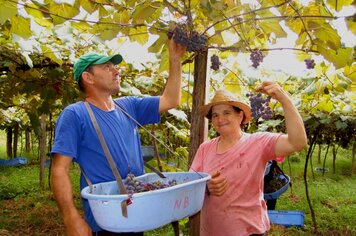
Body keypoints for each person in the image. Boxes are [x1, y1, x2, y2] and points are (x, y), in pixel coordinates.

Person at [50, 39, 186, 236]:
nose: (116, 71)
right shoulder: (75, 114)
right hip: (106, 216)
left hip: (136, 208)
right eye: (107, 67)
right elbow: (59, 169)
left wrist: (175, 60)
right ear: (88, 77)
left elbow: (171, 100)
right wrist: (70, 217)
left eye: (114, 66)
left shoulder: (128, 106)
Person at [190, 81, 307, 236]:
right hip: (212, 231)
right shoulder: (205, 148)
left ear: (240, 116)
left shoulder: (258, 142)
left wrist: (283, 98)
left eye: (226, 113)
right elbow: (189, 185)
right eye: (215, 115)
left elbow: (297, 142)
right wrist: (206, 188)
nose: (220, 119)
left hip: (249, 231)